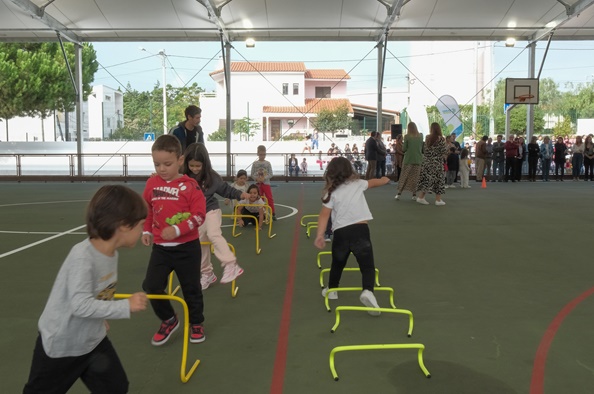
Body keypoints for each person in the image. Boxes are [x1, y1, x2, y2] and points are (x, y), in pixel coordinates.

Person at [23, 185, 148, 394]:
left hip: (92, 341)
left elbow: (99, 293)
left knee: (115, 388)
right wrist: (124, 306)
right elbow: (80, 305)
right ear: (124, 225)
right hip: (61, 345)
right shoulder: (82, 257)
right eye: (141, 225)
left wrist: (101, 315)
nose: (142, 231)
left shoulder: (111, 254)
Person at [141, 134, 207, 346]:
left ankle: (196, 323)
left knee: (191, 288)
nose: (161, 168)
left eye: (167, 164)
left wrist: (178, 230)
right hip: (161, 249)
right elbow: (148, 210)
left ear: (180, 160)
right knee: (151, 286)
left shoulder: (190, 186)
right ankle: (169, 319)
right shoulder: (151, 183)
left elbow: (199, 216)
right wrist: (146, 231)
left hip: (187, 248)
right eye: (157, 164)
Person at [313, 156, 390, 315]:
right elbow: (375, 182)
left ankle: (332, 290)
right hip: (360, 231)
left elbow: (323, 215)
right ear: (350, 170)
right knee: (367, 266)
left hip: (341, 233)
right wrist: (384, 179)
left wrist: (320, 235)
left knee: (338, 263)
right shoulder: (358, 183)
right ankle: (368, 291)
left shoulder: (331, 191)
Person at [184, 143, 249, 290]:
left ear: (204, 164)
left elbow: (225, 190)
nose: (194, 169)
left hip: (211, 210)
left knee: (214, 234)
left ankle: (231, 264)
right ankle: (207, 274)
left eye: (198, 166)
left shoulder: (211, 177)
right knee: (200, 244)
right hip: (196, 216)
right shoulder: (183, 176)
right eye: (191, 165)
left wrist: (240, 194)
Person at [416, 122, 448, 206]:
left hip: (426, 162)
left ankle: (421, 197)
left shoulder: (427, 138)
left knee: (427, 180)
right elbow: (444, 151)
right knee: (439, 181)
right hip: (436, 163)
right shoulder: (441, 139)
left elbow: (425, 149)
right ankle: (438, 200)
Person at [395, 122, 423, 200]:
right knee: (415, 178)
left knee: (404, 176)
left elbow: (404, 149)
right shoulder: (420, 136)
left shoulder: (407, 137)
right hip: (418, 159)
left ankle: (399, 193)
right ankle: (414, 195)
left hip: (408, 160)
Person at [251, 145, 276, 220]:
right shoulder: (255, 164)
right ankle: (262, 213)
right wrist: (257, 179)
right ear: (257, 154)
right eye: (261, 154)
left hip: (266, 183)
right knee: (259, 199)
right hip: (257, 184)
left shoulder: (268, 163)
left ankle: (272, 213)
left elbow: (271, 174)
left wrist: (264, 178)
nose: (262, 156)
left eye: (264, 154)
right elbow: (252, 174)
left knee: (269, 198)